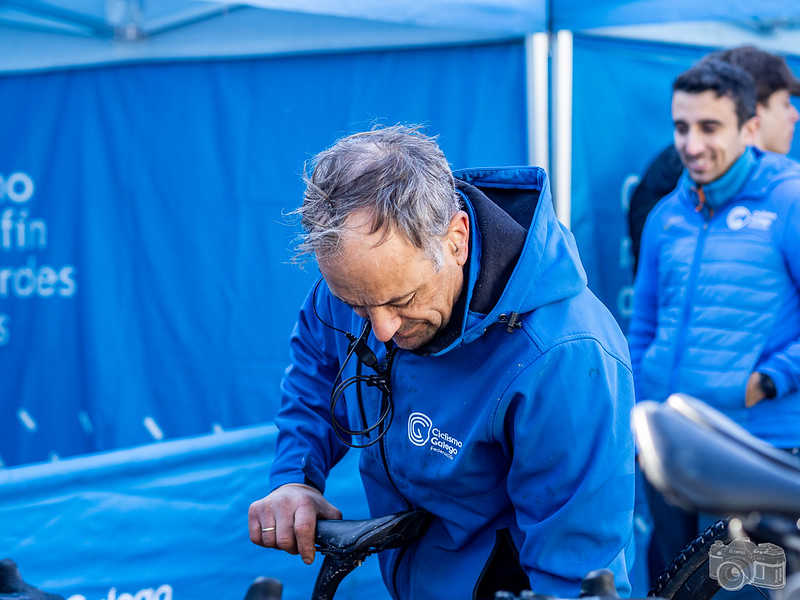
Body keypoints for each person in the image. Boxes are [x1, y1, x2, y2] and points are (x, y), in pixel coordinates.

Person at [248, 125, 636, 599]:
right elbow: (317, 360)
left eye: (402, 300)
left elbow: (577, 570)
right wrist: (297, 475)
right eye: (357, 307)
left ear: (456, 238)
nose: (383, 330)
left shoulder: (562, 358)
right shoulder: (366, 280)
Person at [628, 59, 800, 576]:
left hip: (755, 455)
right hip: (673, 454)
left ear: (750, 128)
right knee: (671, 586)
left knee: (743, 593)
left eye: (709, 127)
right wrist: (642, 410)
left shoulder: (789, 199)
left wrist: (770, 380)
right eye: (682, 127)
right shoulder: (666, 215)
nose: (692, 144)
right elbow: (644, 326)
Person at [628, 46, 800, 274]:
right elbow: (656, 297)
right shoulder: (673, 189)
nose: (795, 115)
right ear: (753, 111)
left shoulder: (788, 196)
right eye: (785, 103)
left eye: (708, 128)